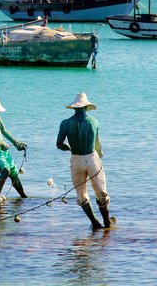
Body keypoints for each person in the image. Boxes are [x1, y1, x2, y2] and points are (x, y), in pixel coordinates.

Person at [56, 92, 110, 229]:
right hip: (92, 158)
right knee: (101, 192)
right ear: (86, 107)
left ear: (74, 108)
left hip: (76, 159)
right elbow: (98, 145)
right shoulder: (94, 122)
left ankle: (94, 223)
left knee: (81, 194)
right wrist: (99, 156)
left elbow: (59, 145)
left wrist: (69, 148)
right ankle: (107, 222)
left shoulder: (65, 123)